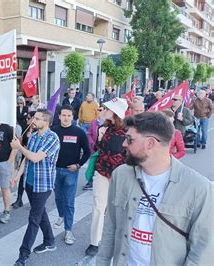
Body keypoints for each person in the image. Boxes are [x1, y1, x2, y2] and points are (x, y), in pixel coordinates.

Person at [97, 112, 213, 265]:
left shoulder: (199, 188)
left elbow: (203, 250)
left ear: (150, 143)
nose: (124, 144)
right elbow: (110, 228)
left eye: (129, 139)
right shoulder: (121, 175)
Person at [10, 109, 60, 266]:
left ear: (46, 122)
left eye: (37, 119)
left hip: (43, 185)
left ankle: (22, 256)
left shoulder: (52, 138)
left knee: (34, 219)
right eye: (34, 118)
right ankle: (50, 241)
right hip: (30, 183)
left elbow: (36, 157)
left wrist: (19, 147)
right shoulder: (33, 136)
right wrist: (17, 176)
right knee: (41, 212)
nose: (33, 121)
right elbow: (26, 158)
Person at [85, 97, 127, 256]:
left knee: (115, 210)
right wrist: (99, 137)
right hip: (102, 172)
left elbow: (126, 156)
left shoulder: (128, 132)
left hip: (119, 176)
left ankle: (113, 239)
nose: (103, 111)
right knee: (98, 206)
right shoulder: (103, 128)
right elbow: (99, 150)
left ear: (115, 113)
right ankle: (94, 242)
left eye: (106, 109)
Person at [51, 105, 90, 245]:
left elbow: (87, 151)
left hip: (71, 172)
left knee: (69, 201)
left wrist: (78, 165)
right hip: (55, 170)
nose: (66, 118)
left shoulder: (79, 132)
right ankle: (61, 215)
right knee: (58, 197)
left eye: (69, 115)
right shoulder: (53, 131)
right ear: (59, 116)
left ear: (73, 117)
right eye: (64, 115)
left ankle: (68, 231)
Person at [12, 111, 36, 209]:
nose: (26, 119)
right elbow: (21, 145)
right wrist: (21, 141)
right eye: (26, 118)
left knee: (32, 179)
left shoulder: (37, 131)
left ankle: (35, 200)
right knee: (21, 178)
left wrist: (30, 138)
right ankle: (19, 199)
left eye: (29, 118)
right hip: (24, 156)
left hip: (33, 158)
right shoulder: (26, 130)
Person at [82, 106, 105, 191]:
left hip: (103, 149)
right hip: (94, 148)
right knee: (92, 165)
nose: (99, 111)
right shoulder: (93, 122)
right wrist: (92, 143)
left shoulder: (108, 123)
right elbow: (89, 134)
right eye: (98, 110)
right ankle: (90, 182)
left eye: (101, 110)